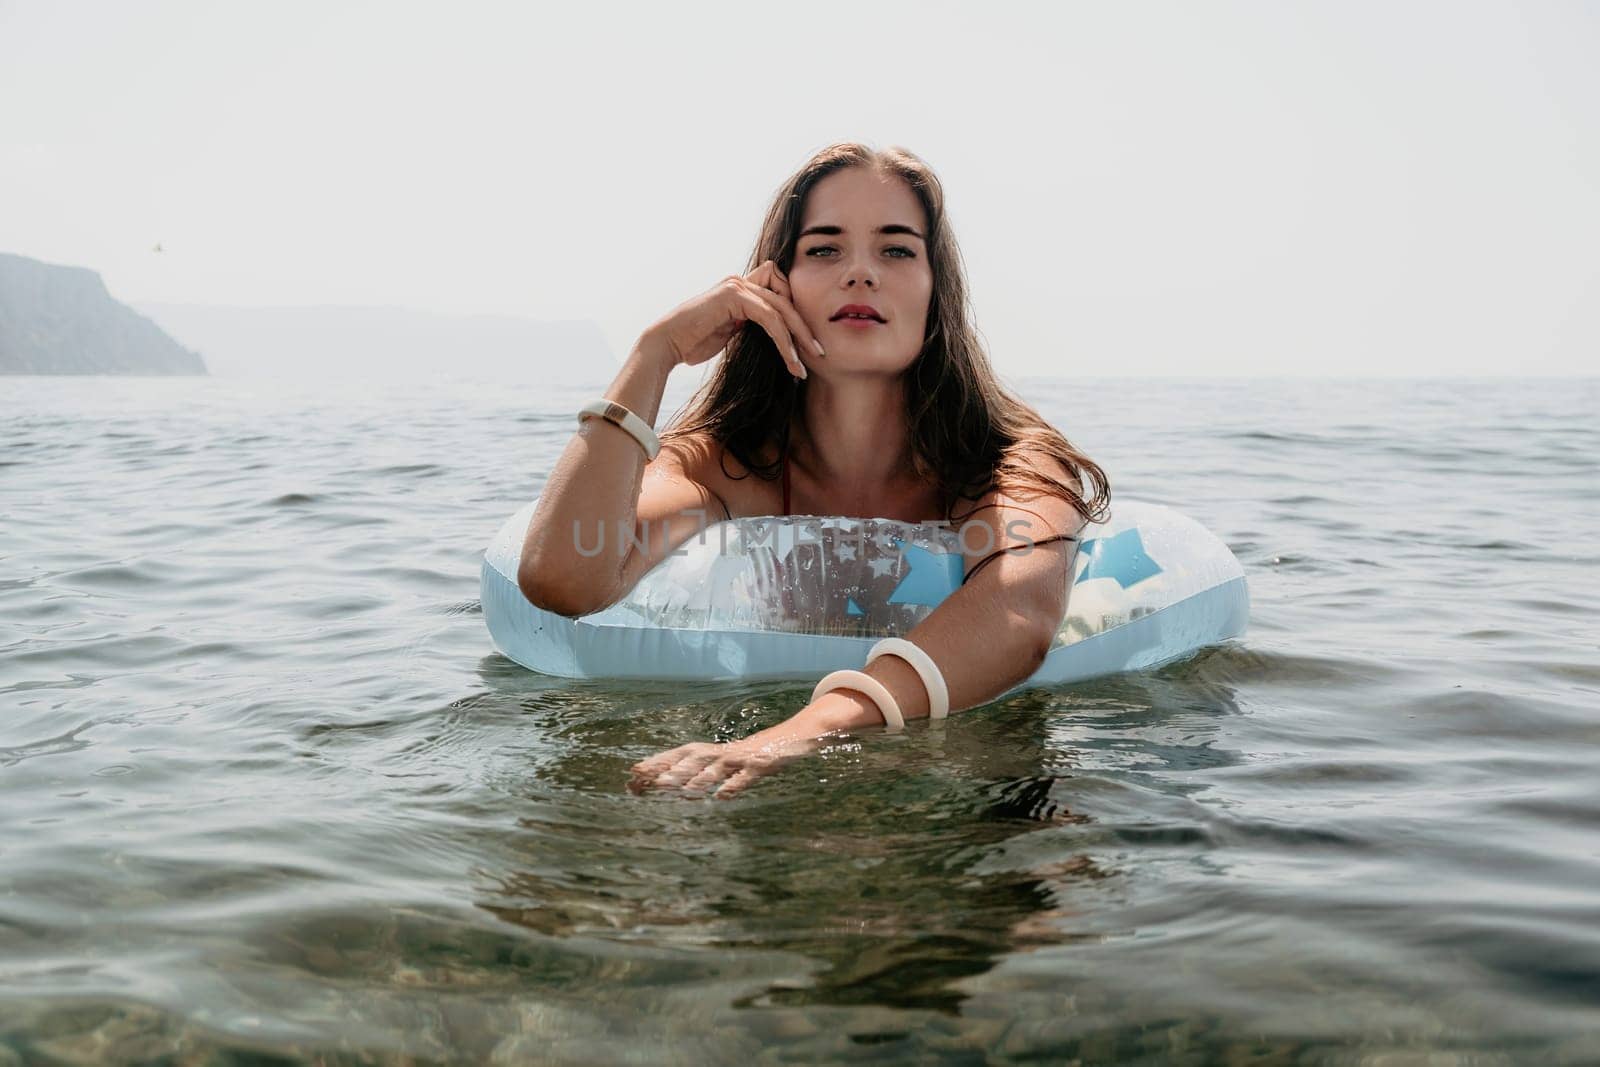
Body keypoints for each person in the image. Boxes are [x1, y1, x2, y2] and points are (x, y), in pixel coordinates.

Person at [518, 142, 1109, 797]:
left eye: (896, 249)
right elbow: (562, 578)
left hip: (984, 787)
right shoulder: (729, 467)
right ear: (774, 286)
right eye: (824, 249)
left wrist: (795, 734)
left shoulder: (1005, 462)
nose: (860, 273)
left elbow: (1017, 611)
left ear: (936, 292)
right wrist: (653, 353)